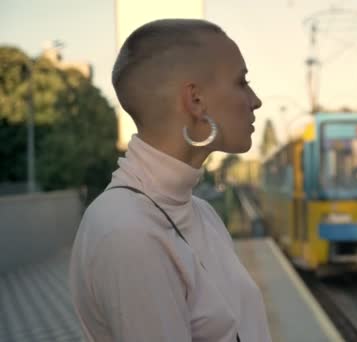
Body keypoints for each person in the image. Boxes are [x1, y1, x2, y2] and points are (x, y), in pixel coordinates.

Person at [69, 19, 271, 342]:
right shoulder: (126, 231)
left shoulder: (202, 213)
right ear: (195, 101)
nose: (255, 100)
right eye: (241, 82)